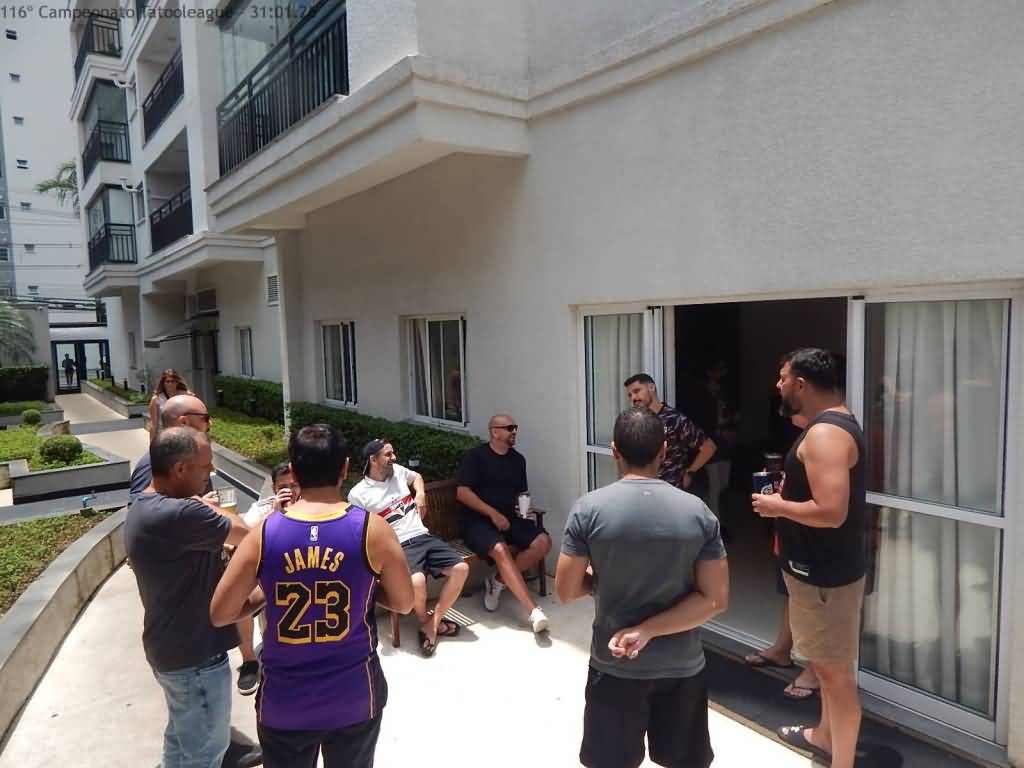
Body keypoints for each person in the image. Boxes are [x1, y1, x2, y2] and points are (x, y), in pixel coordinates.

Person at [210, 424, 414, 768]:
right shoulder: (372, 530)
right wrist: (364, 587)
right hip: (355, 695)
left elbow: (221, 612)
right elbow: (405, 602)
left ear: (294, 469)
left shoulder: (265, 533)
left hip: (284, 701)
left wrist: (268, 592)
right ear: (345, 467)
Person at [556, 407, 728, 768]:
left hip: (614, 665)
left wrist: (601, 578)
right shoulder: (697, 511)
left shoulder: (588, 509)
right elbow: (714, 600)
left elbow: (566, 591)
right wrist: (648, 630)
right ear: (664, 450)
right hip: (682, 666)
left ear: (614, 451)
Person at [752, 348, 867, 768]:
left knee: (835, 677)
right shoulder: (828, 426)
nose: (778, 385)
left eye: (783, 378)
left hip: (823, 578)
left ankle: (842, 761)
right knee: (826, 667)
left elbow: (832, 512)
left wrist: (777, 506)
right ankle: (823, 736)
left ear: (801, 383)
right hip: (822, 574)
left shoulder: (825, 435)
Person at [124, 427, 252, 768]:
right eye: (205, 466)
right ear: (180, 469)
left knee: (180, 744)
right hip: (195, 660)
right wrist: (204, 505)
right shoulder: (182, 513)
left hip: (171, 650)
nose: (210, 473)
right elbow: (246, 535)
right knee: (205, 755)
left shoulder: (144, 505)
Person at [349, 440, 470, 656]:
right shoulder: (358, 494)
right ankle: (425, 622)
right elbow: (360, 531)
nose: (394, 458)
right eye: (388, 454)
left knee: (461, 569)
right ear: (373, 460)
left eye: (393, 453)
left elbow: (417, 477)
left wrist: (420, 494)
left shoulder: (397, 471)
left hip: (423, 536)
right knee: (417, 582)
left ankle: (432, 623)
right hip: (398, 546)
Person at [456, 414, 551, 633]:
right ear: (495, 432)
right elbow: (462, 493)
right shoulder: (475, 457)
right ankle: (533, 612)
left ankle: (497, 581)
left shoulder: (518, 460)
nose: (514, 431)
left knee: (543, 542)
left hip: (508, 518)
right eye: (509, 428)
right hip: (477, 521)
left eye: (515, 427)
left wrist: (523, 507)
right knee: (500, 549)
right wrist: (492, 514)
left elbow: (520, 493)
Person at [231, 461, 300, 695]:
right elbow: (241, 541)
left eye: (294, 485)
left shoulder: (310, 507)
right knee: (241, 599)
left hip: (299, 577)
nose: (290, 491)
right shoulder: (262, 509)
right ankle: (249, 661)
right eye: (283, 487)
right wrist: (274, 516)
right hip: (264, 577)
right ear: (273, 488)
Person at [623, 373, 717, 493]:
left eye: (637, 391)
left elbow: (709, 447)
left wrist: (689, 472)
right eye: (630, 395)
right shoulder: (637, 420)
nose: (633, 398)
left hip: (670, 490)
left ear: (651, 387)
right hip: (643, 489)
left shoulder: (674, 419)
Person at [130, 394, 214, 504]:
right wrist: (201, 506)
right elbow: (139, 505)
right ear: (184, 422)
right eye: (205, 419)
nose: (210, 424)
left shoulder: (191, 454)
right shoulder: (156, 461)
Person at [149, 369, 188, 440]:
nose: (170, 384)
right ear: (163, 383)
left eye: (173, 381)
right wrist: (152, 443)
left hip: (182, 436)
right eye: (168, 381)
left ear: (177, 382)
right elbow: (153, 424)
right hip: (164, 436)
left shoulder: (185, 396)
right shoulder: (156, 399)